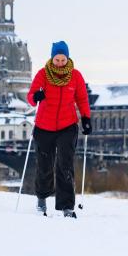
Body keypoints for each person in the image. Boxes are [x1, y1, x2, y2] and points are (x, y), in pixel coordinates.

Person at [28, 41, 93, 218]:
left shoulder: (75, 76)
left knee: (65, 165)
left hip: (67, 126)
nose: (59, 63)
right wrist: (36, 96)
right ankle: (42, 198)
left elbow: (82, 99)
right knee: (44, 165)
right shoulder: (43, 74)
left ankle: (67, 206)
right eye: (56, 59)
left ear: (67, 58)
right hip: (44, 126)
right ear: (52, 58)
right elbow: (31, 97)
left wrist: (86, 118)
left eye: (63, 59)